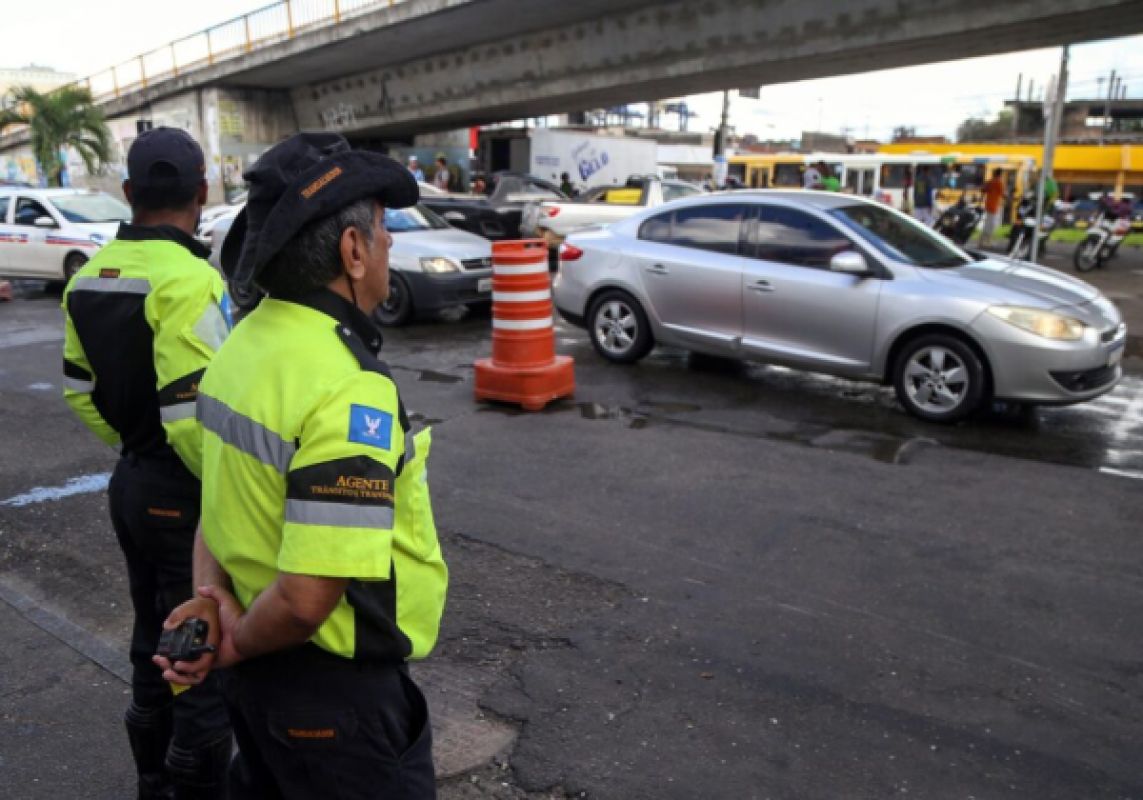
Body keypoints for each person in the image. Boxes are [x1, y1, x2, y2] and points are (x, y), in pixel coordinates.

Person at [156, 132, 449, 798]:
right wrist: (229, 645)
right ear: (352, 252)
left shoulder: (243, 345)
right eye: (381, 229)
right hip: (333, 699)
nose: (389, 245)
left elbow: (218, 503)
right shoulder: (347, 387)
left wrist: (209, 600)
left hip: (257, 681)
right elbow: (306, 599)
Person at [61, 126, 232, 798]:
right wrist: (224, 491)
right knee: (197, 661)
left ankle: (152, 781)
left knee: (149, 637)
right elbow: (197, 422)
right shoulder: (192, 279)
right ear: (202, 191)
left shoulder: (89, 277)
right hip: (182, 493)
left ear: (129, 193)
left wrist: (134, 446)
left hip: (131, 481)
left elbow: (79, 393)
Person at [980, 168, 1007, 247]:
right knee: (991, 225)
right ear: (1000, 174)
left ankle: (982, 240)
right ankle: (987, 241)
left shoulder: (990, 181)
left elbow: (983, 190)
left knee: (987, 223)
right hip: (994, 206)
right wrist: (1011, 198)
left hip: (988, 204)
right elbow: (1003, 194)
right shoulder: (999, 182)